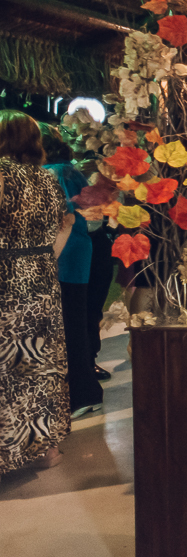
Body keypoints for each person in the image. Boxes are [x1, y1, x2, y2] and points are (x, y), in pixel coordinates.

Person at [0, 110, 75, 476]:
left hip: (7, 280)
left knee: (8, 367)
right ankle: (47, 448)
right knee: (40, 363)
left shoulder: (2, 174)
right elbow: (67, 224)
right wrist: (44, 258)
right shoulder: (47, 178)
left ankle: (9, 451)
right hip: (42, 280)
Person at [41, 124, 103, 417]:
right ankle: (85, 392)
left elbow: (63, 220)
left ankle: (80, 394)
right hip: (79, 254)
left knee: (68, 327)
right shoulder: (69, 170)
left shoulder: (52, 173)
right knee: (77, 323)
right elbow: (94, 218)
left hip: (63, 257)